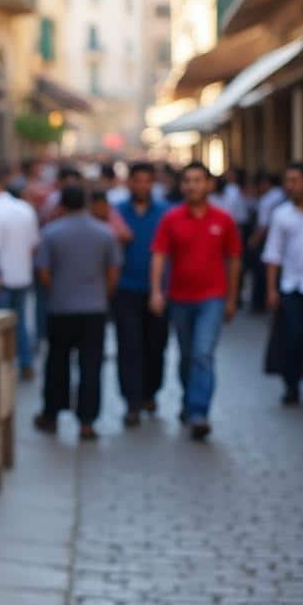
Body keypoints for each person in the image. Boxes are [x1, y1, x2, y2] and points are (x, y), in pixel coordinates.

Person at [150, 162, 242, 442]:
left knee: (203, 354)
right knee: (187, 356)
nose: (192, 186)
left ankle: (199, 412)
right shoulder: (171, 218)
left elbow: (234, 260)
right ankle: (190, 402)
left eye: (198, 180)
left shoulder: (223, 220)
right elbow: (159, 255)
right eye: (187, 181)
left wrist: (232, 298)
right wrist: (156, 290)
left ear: (209, 185)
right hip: (180, 298)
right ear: (182, 185)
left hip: (212, 298)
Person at [33, 185, 120, 441]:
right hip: (93, 308)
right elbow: (113, 272)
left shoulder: (51, 232)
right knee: (91, 365)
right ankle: (87, 421)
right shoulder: (104, 232)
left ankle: (52, 414)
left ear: (62, 205)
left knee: (57, 362)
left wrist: (57, 289)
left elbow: (44, 271)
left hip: (61, 307)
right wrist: (103, 295)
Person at [112, 163, 170, 426]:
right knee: (129, 346)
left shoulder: (165, 212)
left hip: (158, 290)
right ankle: (131, 401)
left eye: (148, 181)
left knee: (155, 345)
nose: (143, 186)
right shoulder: (116, 213)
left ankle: (150, 392)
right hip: (125, 289)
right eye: (138, 181)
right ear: (130, 183)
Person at [0, 167, 40, 378]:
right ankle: (26, 361)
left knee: (0, 327)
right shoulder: (25, 209)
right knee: (20, 322)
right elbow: (34, 244)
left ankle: (4, 367)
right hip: (22, 275)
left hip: (1, 278)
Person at [262, 162, 303, 405]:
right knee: (293, 337)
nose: (290, 186)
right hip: (292, 286)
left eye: (295, 180)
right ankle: (291, 385)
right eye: (287, 181)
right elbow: (273, 254)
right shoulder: (281, 214)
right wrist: (272, 289)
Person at [249, 172, 286, 313]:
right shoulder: (280, 196)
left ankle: (260, 302)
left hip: (268, 239)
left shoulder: (268, 200)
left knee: (261, 271)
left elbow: (263, 225)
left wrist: (254, 239)